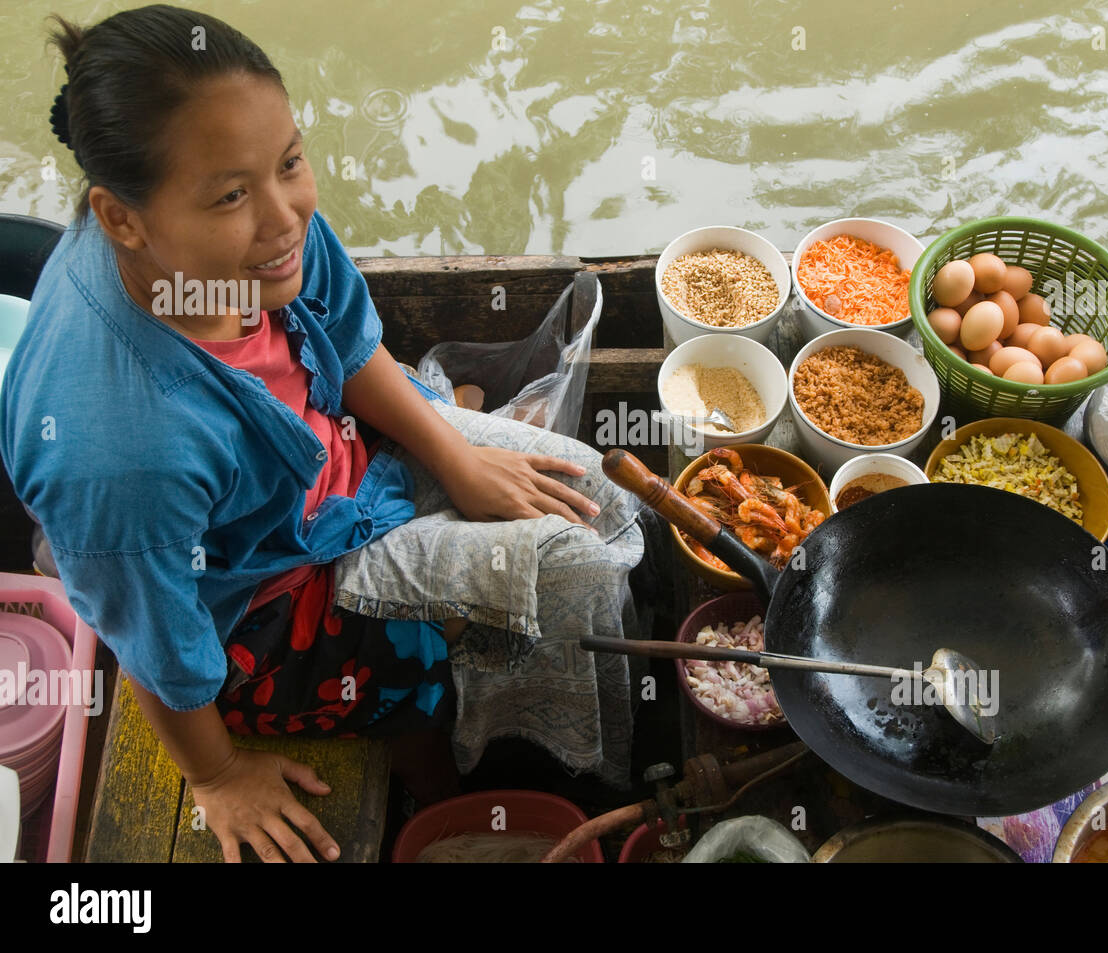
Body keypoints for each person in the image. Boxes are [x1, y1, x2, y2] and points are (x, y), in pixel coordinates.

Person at [0, 5, 648, 863]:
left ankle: (532, 746)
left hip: (337, 468)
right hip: (256, 601)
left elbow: (347, 344)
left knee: (592, 497)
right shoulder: (118, 448)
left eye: (291, 162)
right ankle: (466, 777)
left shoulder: (256, 242)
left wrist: (457, 460)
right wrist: (219, 774)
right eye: (232, 194)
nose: (285, 216)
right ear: (120, 219)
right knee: (506, 614)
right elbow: (156, 642)